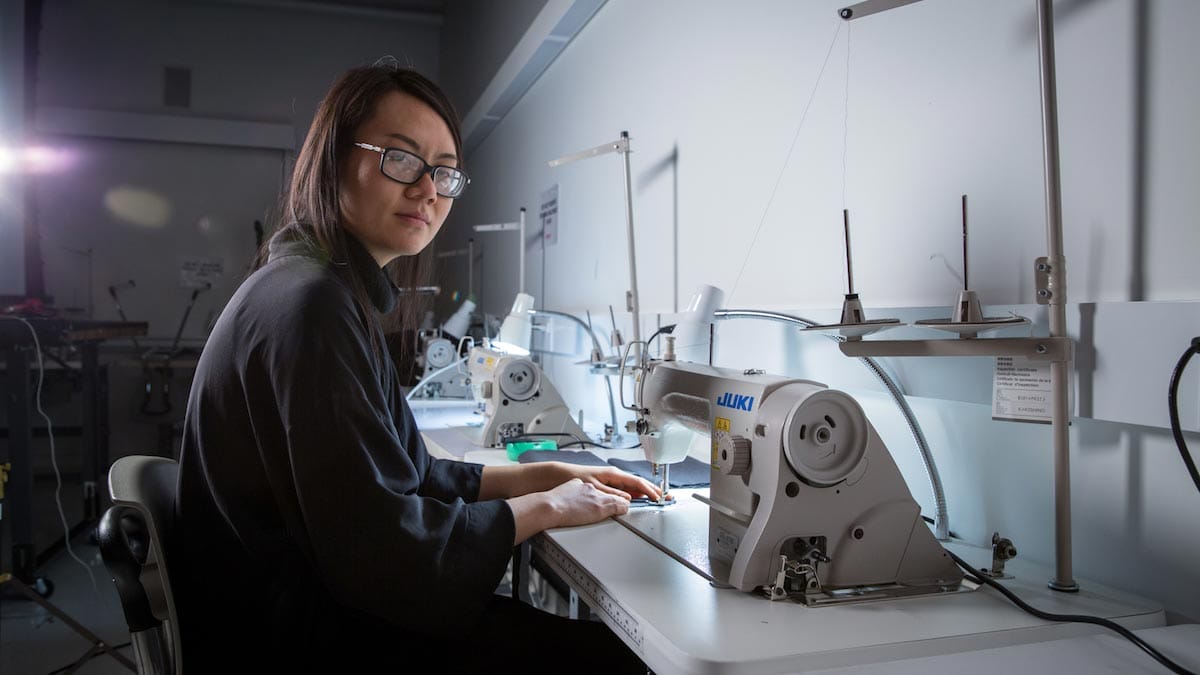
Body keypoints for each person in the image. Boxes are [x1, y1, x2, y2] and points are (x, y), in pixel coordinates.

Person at [175, 62, 658, 673]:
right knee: (623, 659)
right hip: (298, 641)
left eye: (444, 172)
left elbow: (407, 474)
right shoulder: (312, 306)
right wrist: (549, 508)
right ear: (332, 160)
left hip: (305, 613)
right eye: (401, 160)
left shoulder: (319, 288)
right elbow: (383, 550)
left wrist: (544, 475)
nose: (429, 189)